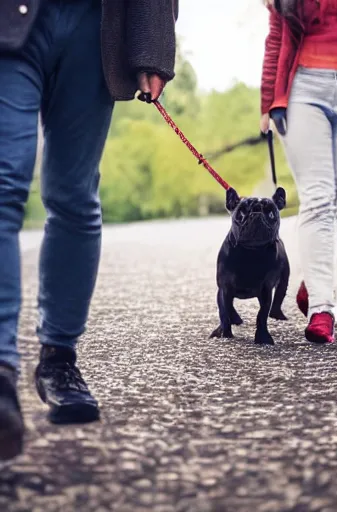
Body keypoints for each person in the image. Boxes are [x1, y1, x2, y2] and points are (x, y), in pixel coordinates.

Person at [0, 0, 179, 461]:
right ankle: (1, 373)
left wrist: (153, 45)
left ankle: (59, 359)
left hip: (97, 23)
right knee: (4, 181)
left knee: (74, 195)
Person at [260, 0, 337, 344]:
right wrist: (268, 103)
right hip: (301, 90)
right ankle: (321, 308)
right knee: (318, 197)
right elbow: (275, 40)